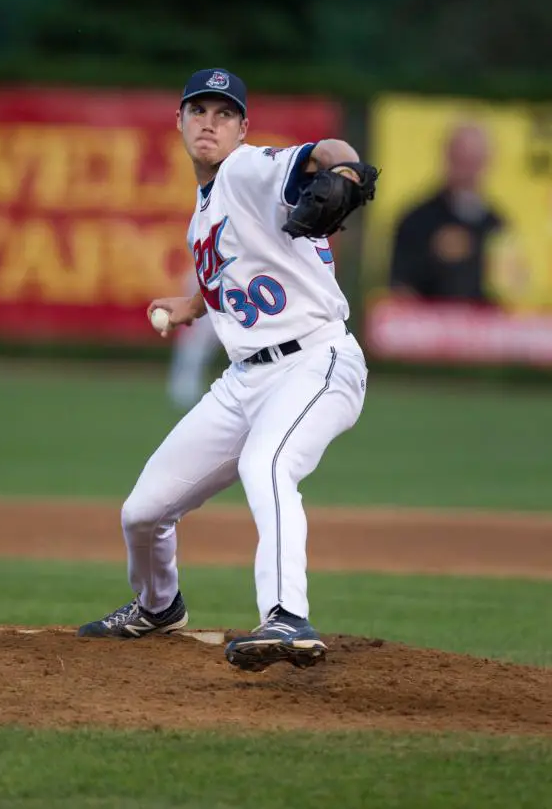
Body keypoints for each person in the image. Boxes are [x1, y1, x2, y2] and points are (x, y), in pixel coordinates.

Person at [78, 68, 371, 672]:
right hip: (244, 380)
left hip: (316, 362)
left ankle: (287, 616)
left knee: (266, 463)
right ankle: (159, 605)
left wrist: (343, 172)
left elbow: (326, 152)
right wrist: (191, 305)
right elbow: (236, 280)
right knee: (143, 512)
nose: (208, 123)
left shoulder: (246, 169)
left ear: (243, 129)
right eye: (198, 112)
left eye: (223, 114)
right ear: (179, 123)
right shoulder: (205, 210)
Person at [390, 122, 505, 302]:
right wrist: (433, 255)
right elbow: (400, 286)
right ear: (447, 158)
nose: (468, 171)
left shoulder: (496, 224)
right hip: (427, 325)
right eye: (461, 161)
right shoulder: (416, 220)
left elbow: (506, 294)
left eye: (474, 162)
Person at [167, 268, 223, 409]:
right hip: (202, 323)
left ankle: (186, 392)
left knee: (196, 357)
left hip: (216, 322)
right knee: (192, 357)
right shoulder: (195, 275)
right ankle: (184, 393)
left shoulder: (215, 270)